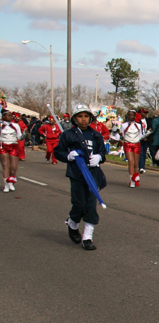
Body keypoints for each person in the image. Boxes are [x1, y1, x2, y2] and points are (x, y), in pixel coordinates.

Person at [53, 104, 106, 251]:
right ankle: (72, 223)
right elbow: (58, 152)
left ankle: (87, 237)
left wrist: (99, 157)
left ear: (90, 118)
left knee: (90, 205)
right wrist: (68, 156)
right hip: (76, 174)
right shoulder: (68, 135)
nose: (83, 119)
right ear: (75, 118)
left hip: (93, 174)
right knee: (79, 204)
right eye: (80, 116)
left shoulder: (96, 135)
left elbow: (102, 152)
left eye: (86, 116)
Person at [1, 109, 24, 192]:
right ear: (3, 116)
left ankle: (11, 182)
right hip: (3, 146)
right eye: (8, 115)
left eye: (11, 115)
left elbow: (19, 137)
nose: (11, 117)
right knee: (5, 166)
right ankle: (6, 185)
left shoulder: (15, 125)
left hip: (14, 146)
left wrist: (24, 134)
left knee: (13, 167)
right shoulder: (1, 125)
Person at [120, 110, 145, 187]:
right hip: (128, 144)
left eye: (132, 115)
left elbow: (141, 135)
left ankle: (135, 177)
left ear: (135, 116)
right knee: (130, 161)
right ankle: (131, 180)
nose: (130, 116)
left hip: (136, 144)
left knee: (135, 163)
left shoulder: (139, 125)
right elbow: (122, 134)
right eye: (129, 115)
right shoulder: (124, 125)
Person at [137, 108, 151, 173]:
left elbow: (150, 128)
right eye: (144, 113)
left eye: (146, 113)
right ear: (140, 113)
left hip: (146, 138)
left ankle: (142, 166)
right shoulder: (137, 120)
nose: (145, 114)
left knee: (144, 153)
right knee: (141, 154)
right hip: (139, 139)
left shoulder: (148, 120)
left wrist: (148, 133)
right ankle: (141, 167)